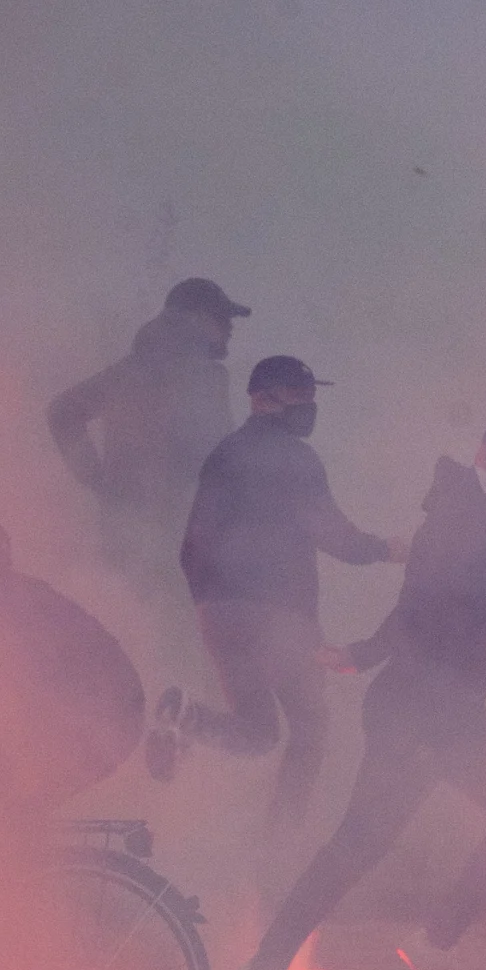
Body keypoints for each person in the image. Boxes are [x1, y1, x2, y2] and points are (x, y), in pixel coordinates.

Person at [239, 419, 486, 970]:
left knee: (362, 845)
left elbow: (415, 608)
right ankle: (423, 945)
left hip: (432, 710)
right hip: (428, 715)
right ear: (481, 459)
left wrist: (364, 653)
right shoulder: (466, 522)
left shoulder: (478, 521)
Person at [150, 355, 395, 853]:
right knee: (310, 725)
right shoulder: (296, 459)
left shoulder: (223, 456)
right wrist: (391, 550)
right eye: (299, 395)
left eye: (310, 395)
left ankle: (185, 719)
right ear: (263, 398)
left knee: (257, 731)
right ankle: (281, 848)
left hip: (220, 617)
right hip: (281, 618)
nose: (309, 406)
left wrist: (211, 609)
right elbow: (336, 538)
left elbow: (188, 549)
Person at [0, 514, 147, 823]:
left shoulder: (1, 604)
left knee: (1, 809)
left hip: (102, 721)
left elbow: (15, 686)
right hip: (93, 717)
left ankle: (23, 869)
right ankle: (29, 864)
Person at [46, 279, 250, 566]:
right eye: (222, 318)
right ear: (198, 318)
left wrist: (101, 484)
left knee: (133, 607)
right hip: (168, 541)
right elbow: (62, 413)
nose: (230, 328)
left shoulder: (136, 369)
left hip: (144, 537)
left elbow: (62, 413)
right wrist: (99, 482)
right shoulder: (193, 375)